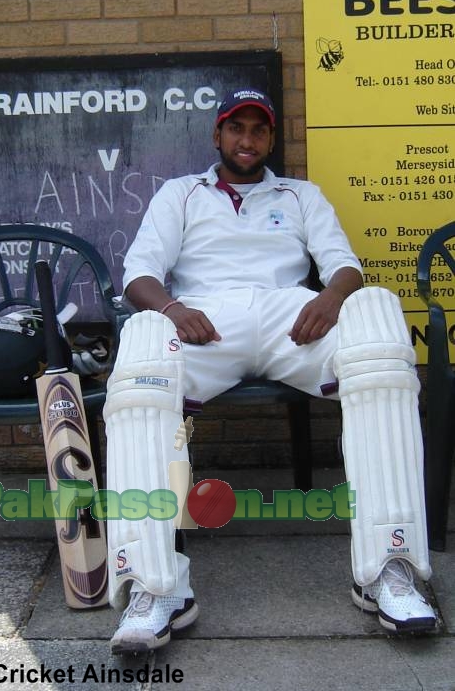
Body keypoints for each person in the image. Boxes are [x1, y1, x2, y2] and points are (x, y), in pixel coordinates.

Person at [103, 86, 436, 654]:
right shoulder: (182, 194)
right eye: (237, 128)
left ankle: (389, 567)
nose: (248, 140)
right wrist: (173, 310)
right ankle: (154, 586)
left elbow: (344, 265)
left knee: (378, 330)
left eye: (259, 130)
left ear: (271, 138)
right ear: (218, 136)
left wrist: (331, 299)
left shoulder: (300, 194)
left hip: (290, 315)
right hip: (205, 318)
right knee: (141, 362)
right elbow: (139, 273)